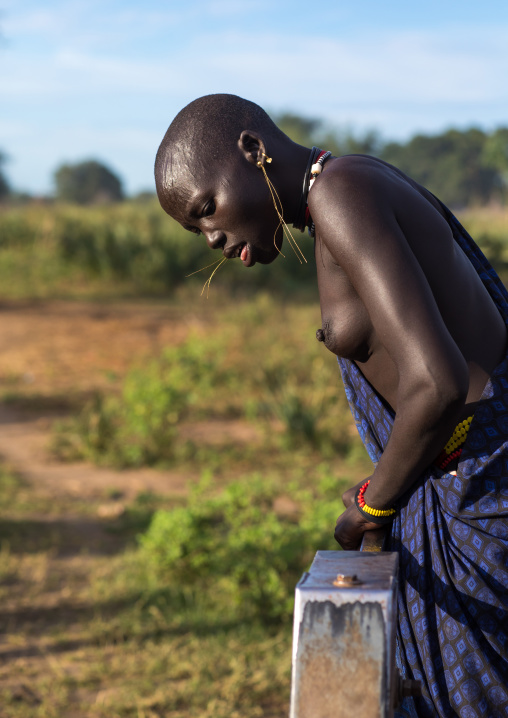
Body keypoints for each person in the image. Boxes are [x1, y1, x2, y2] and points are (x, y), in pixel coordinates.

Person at [155, 94, 508, 718]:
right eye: (195, 229)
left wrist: (375, 504)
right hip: (462, 479)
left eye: (207, 208)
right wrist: (396, 473)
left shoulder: (342, 195)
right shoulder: (354, 182)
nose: (211, 237)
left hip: (480, 495)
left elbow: (437, 381)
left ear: (252, 149)